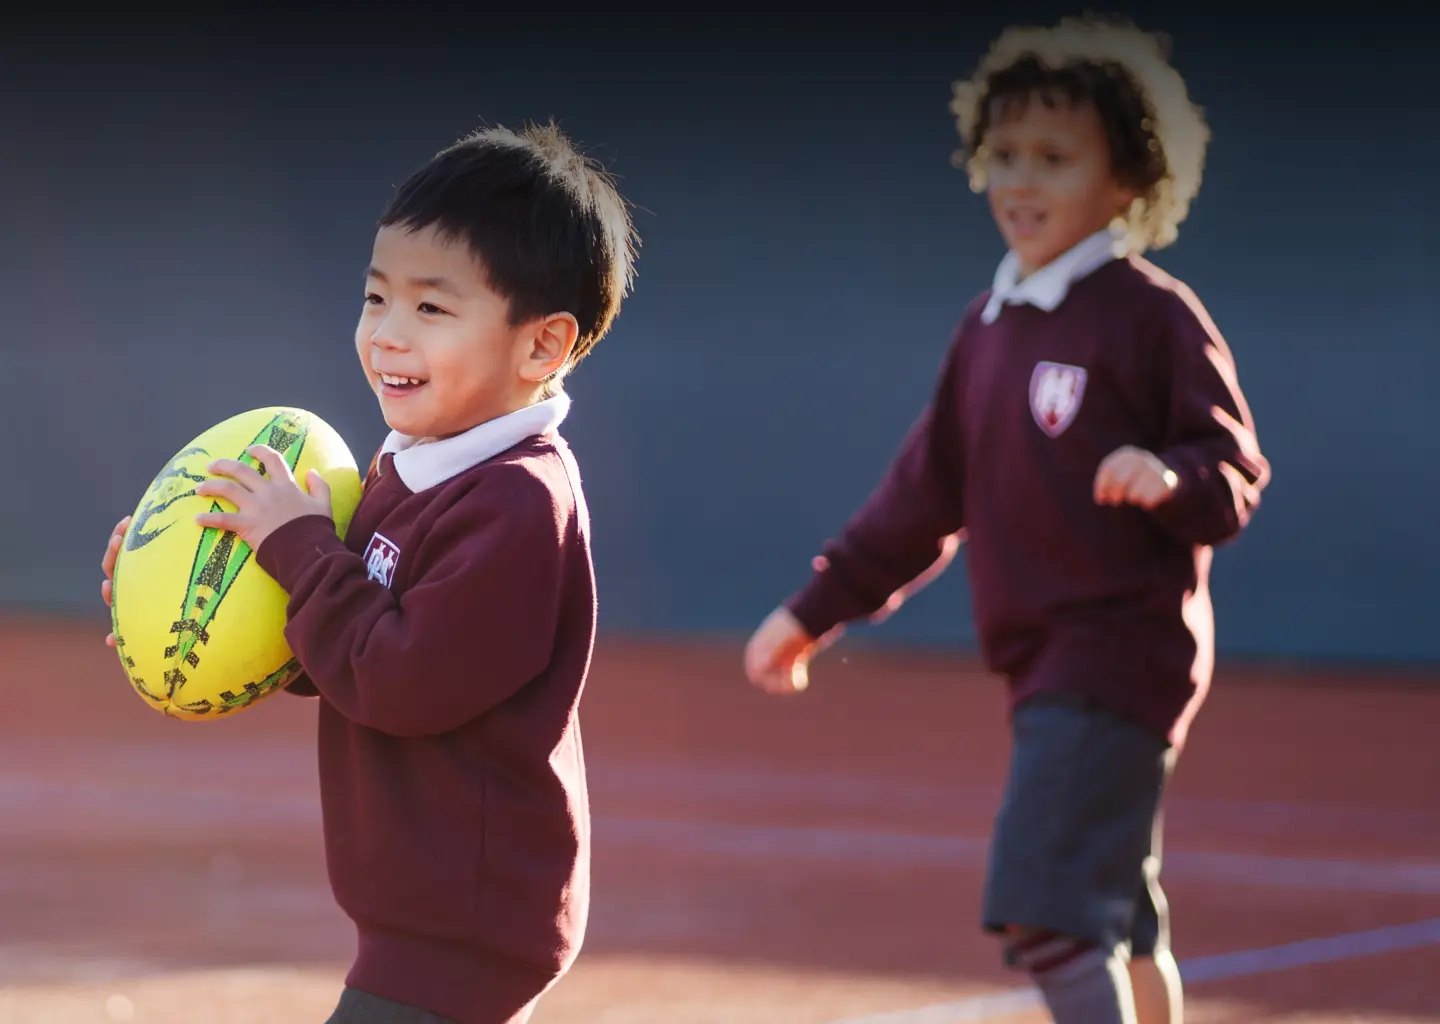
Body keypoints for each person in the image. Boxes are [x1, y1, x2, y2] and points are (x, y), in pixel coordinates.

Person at [743, 17, 1269, 1024]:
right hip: (1050, 666)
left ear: (1131, 180)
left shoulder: (1153, 314)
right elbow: (920, 498)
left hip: (1117, 656)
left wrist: (1170, 473)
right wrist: (814, 610)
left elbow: (1235, 468)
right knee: (1118, 914)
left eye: (1056, 158)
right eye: (1006, 155)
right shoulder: (988, 328)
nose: (1021, 181)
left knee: (1051, 918)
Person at [101, 120, 639, 1024]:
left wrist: (301, 547)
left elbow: (402, 678)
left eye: (432, 309)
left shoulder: (516, 502)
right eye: (376, 297)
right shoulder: (415, 466)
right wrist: (195, 595)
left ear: (543, 346)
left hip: (469, 920)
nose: (387, 334)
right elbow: (347, 650)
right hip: (423, 916)